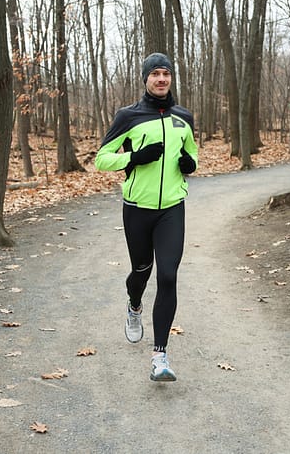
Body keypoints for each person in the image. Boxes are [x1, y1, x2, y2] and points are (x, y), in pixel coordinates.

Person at [95, 52, 198, 382]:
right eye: (154, 73)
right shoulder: (129, 116)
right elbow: (102, 159)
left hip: (171, 208)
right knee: (142, 270)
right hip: (137, 208)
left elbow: (191, 155)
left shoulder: (184, 117)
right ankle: (134, 305)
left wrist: (189, 165)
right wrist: (134, 158)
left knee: (167, 276)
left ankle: (160, 357)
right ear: (145, 79)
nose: (161, 79)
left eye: (166, 73)